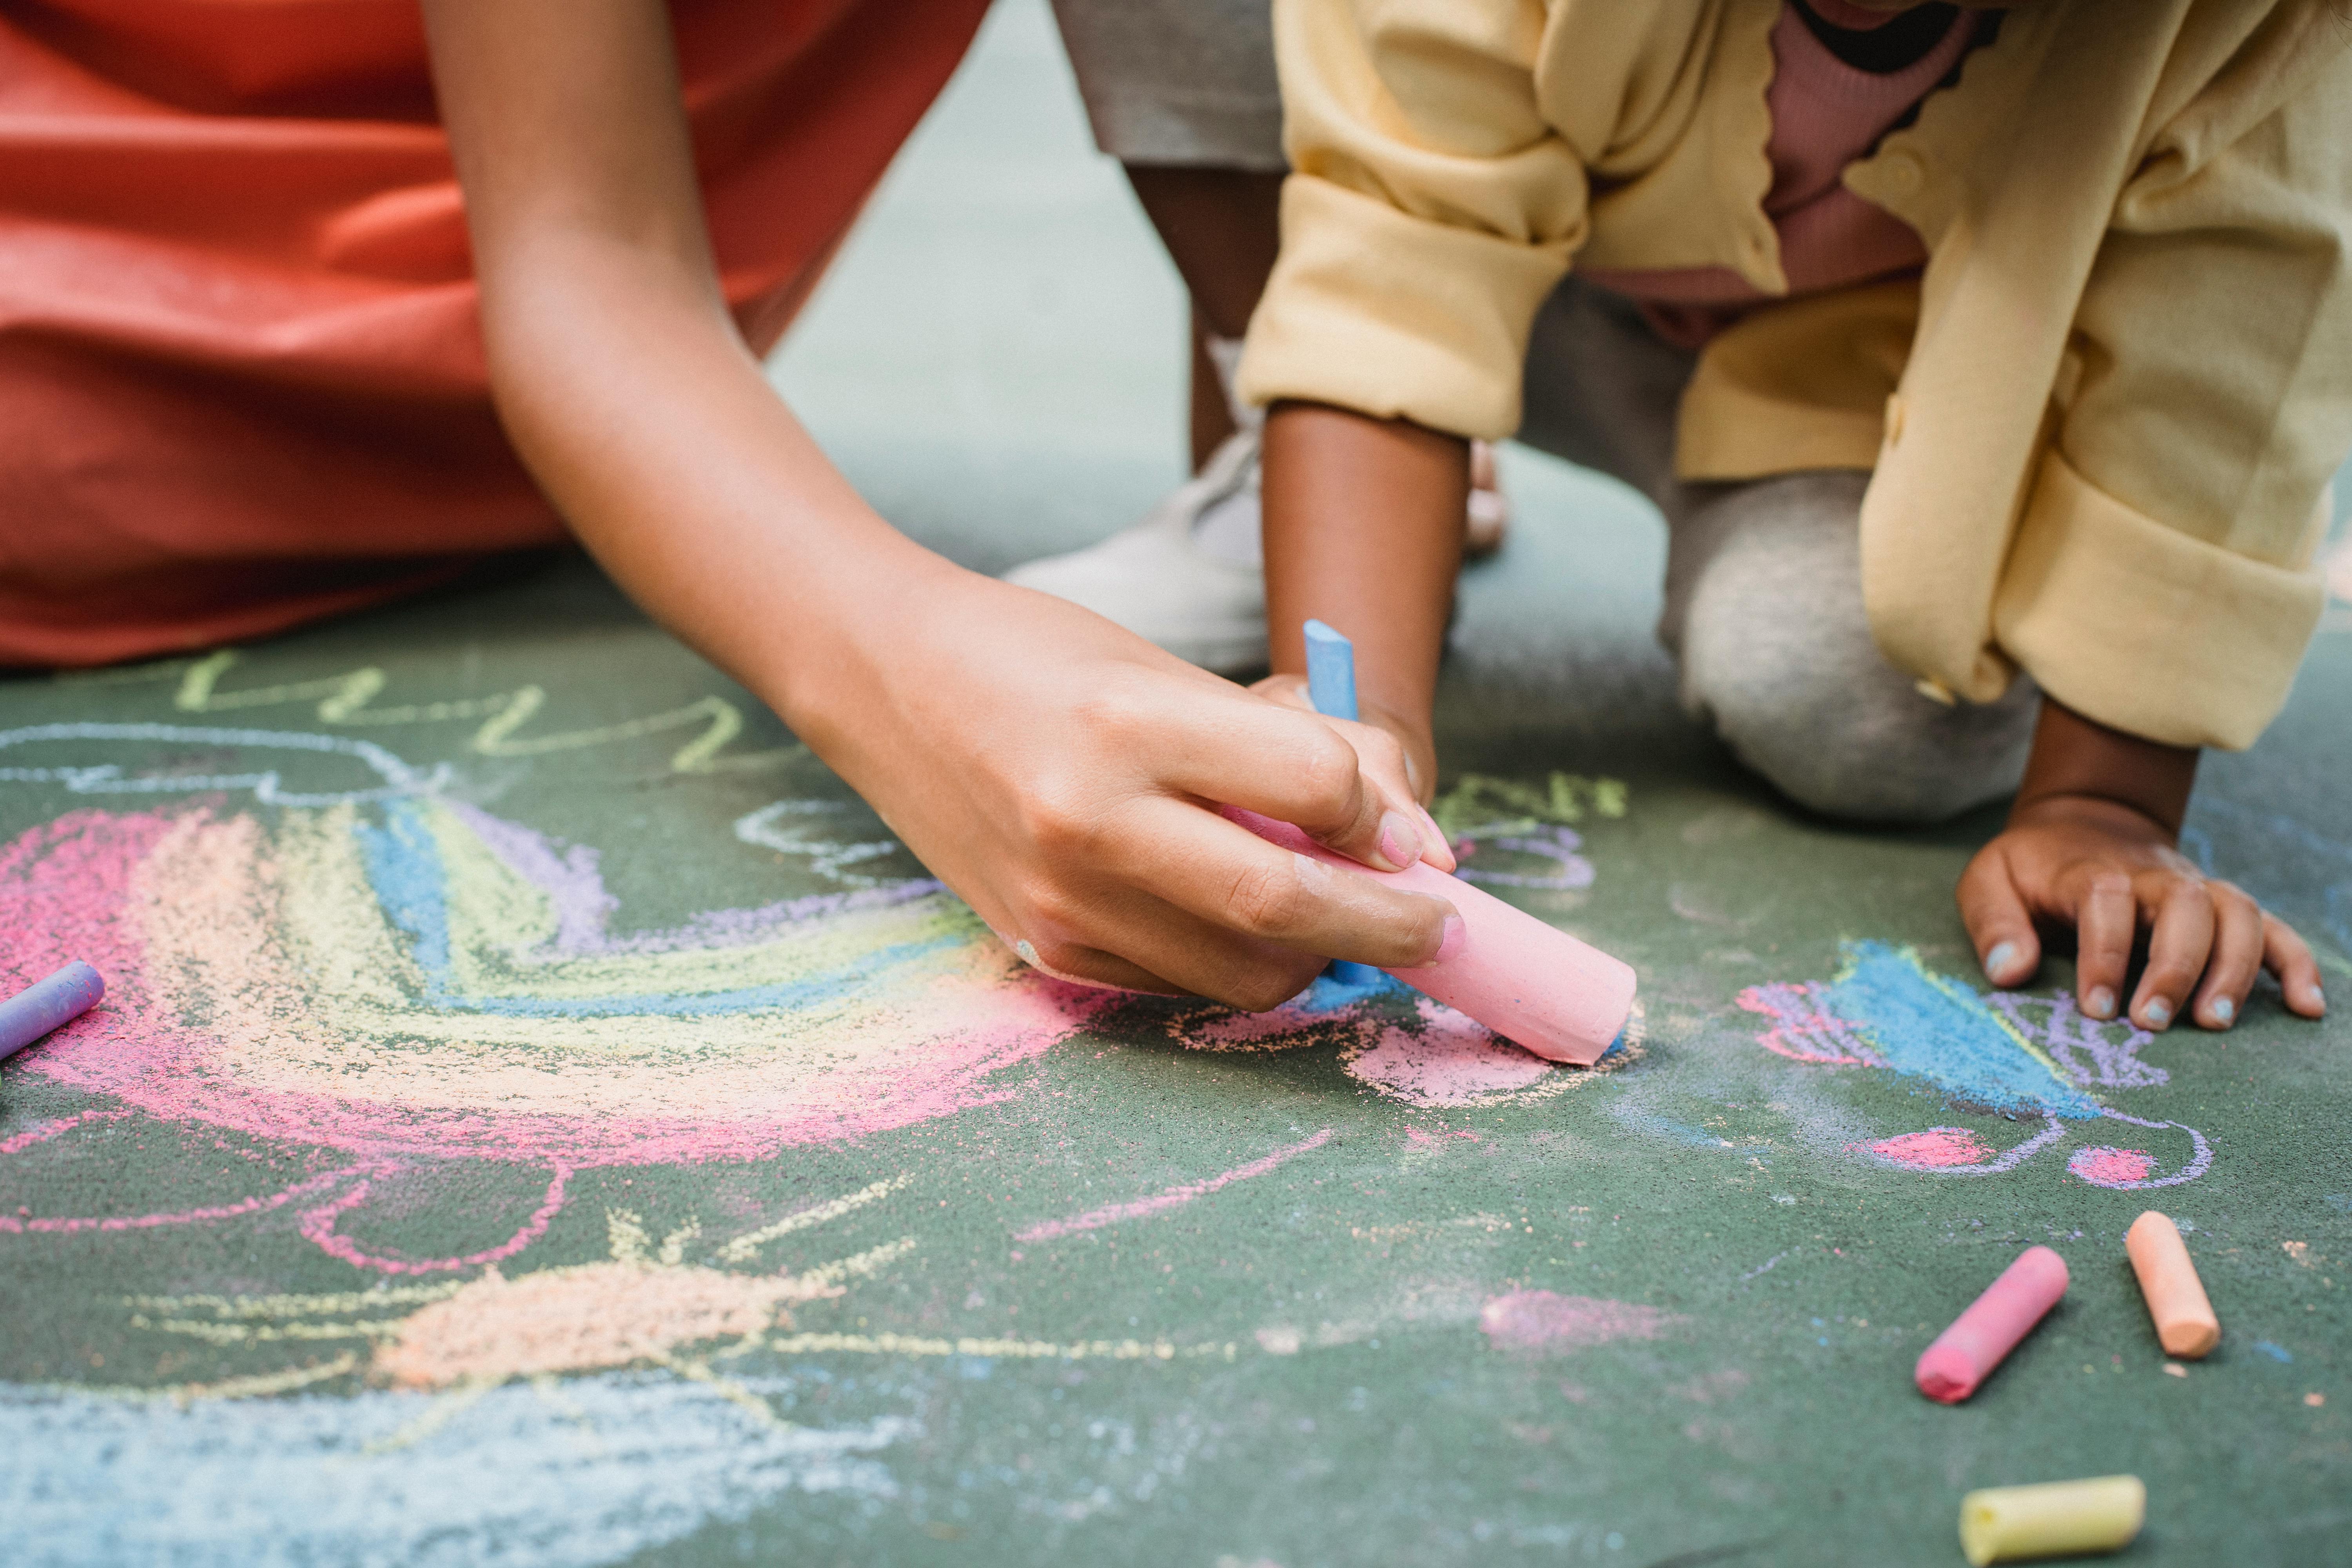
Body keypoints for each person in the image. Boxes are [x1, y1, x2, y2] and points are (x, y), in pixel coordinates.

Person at [0, 0, 1464, 1010]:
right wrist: (911, 660)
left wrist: (1305, 421)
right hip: (129, 315)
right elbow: (587, 254)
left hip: (609, 431)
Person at [1031, 0, 2350, 1033]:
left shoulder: (2251, 30)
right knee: (1352, 248)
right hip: (1532, 269)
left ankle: (1388, 488)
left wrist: (2106, 803)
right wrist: (1358, 718)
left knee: (1846, 698)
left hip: (1898, 380)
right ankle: (1299, 457)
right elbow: (1401, 246)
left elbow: (2221, 365)